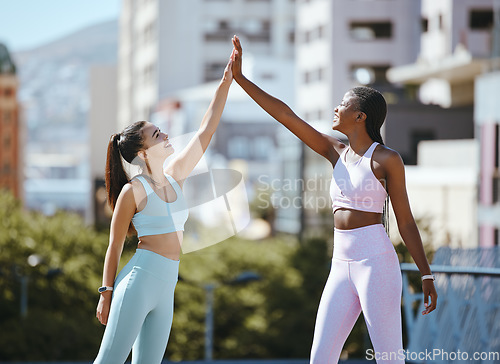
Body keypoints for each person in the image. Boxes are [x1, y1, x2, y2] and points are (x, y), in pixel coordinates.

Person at [230, 35, 437, 364]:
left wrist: (426, 275)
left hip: (376, 263)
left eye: (344, 104)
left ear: (361, 117)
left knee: (389, 358)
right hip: (340, 263)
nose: (336, 108)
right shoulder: (334, 151)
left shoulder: (386, 159)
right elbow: (285, 115)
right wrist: (241, 79)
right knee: (320, 358)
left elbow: (406, 221)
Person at [93, 50, 235, 364]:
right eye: (157, 134)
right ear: (143, 152)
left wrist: (226, 82)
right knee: (109, 361)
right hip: (138, 281)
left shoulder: (175, 177)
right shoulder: (134, 191)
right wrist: (106, 293)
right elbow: (115, 245)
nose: (166, 134)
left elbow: (206, 130)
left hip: (167, 283)